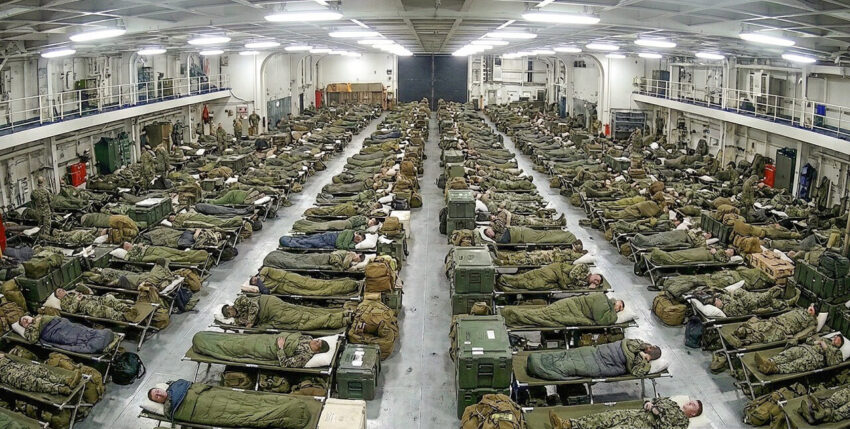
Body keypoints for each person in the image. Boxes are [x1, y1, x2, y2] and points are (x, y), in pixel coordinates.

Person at [548, 397, 702, 429]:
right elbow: (653, 399)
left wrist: (658, 414)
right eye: (691, 401)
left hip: (642, 426)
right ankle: (568, 424)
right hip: (634, 413)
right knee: (602, 417)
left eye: (692, 404)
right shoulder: (672, 402)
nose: (688, 402)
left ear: (693, 413)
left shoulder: (683, 423)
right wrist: (649, 403)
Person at [220, 295, 347, 331]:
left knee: (301, 316)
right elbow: (245, 327)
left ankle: (341, 317)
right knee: (302, 313)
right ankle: (341, 314)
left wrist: (251, 321)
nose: (231, 314)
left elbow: (254, 305)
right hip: (270, 316)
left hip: (270, 305)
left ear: (230, 307)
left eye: (229, 311)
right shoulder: (237, 320)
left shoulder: (240, 300)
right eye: (229, 315)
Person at [733, 305, 818, 346]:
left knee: (763, 335)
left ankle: (745, 341)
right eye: (811, 306)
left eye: (812, 308)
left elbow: (805, 333)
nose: (810, 308)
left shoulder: (812, 322)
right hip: (774, 321)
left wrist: (794, 338)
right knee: (757, 324)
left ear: (814, 313)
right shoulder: (799, 309)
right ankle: (742, 332)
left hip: (782, 329)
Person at [755, 335, 844, 374]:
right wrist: (815, 341)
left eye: (838, 339)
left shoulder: (837, 352)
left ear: (840, 344)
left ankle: (772, 369)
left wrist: (826, 349)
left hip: (812, 359)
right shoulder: (824, 339)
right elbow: (808, 340)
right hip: (804, 348)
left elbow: (832, 364)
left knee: (794, 365)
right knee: (788, 354)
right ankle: (768, 362)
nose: (836, 338)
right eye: (836, 337)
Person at [0, 352, 77, 395]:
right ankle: (59, 389)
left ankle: (67, 381)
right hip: (4, 372)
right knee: (28, 380)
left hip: (12, 364)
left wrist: (3, 356)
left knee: (38, 370)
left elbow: (3, 354)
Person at [54, 288, 136, 321]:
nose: (61, 290)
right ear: (58, 297)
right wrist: (77, 300)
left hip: (93, 299)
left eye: (61, 289)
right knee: (106, 310)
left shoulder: (72, 292)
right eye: (59, 291)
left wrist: (82, 295)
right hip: (87, 306)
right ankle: (125, 317)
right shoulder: (63, 302)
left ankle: (128, 309)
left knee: (109, 298)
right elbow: (71, 310)